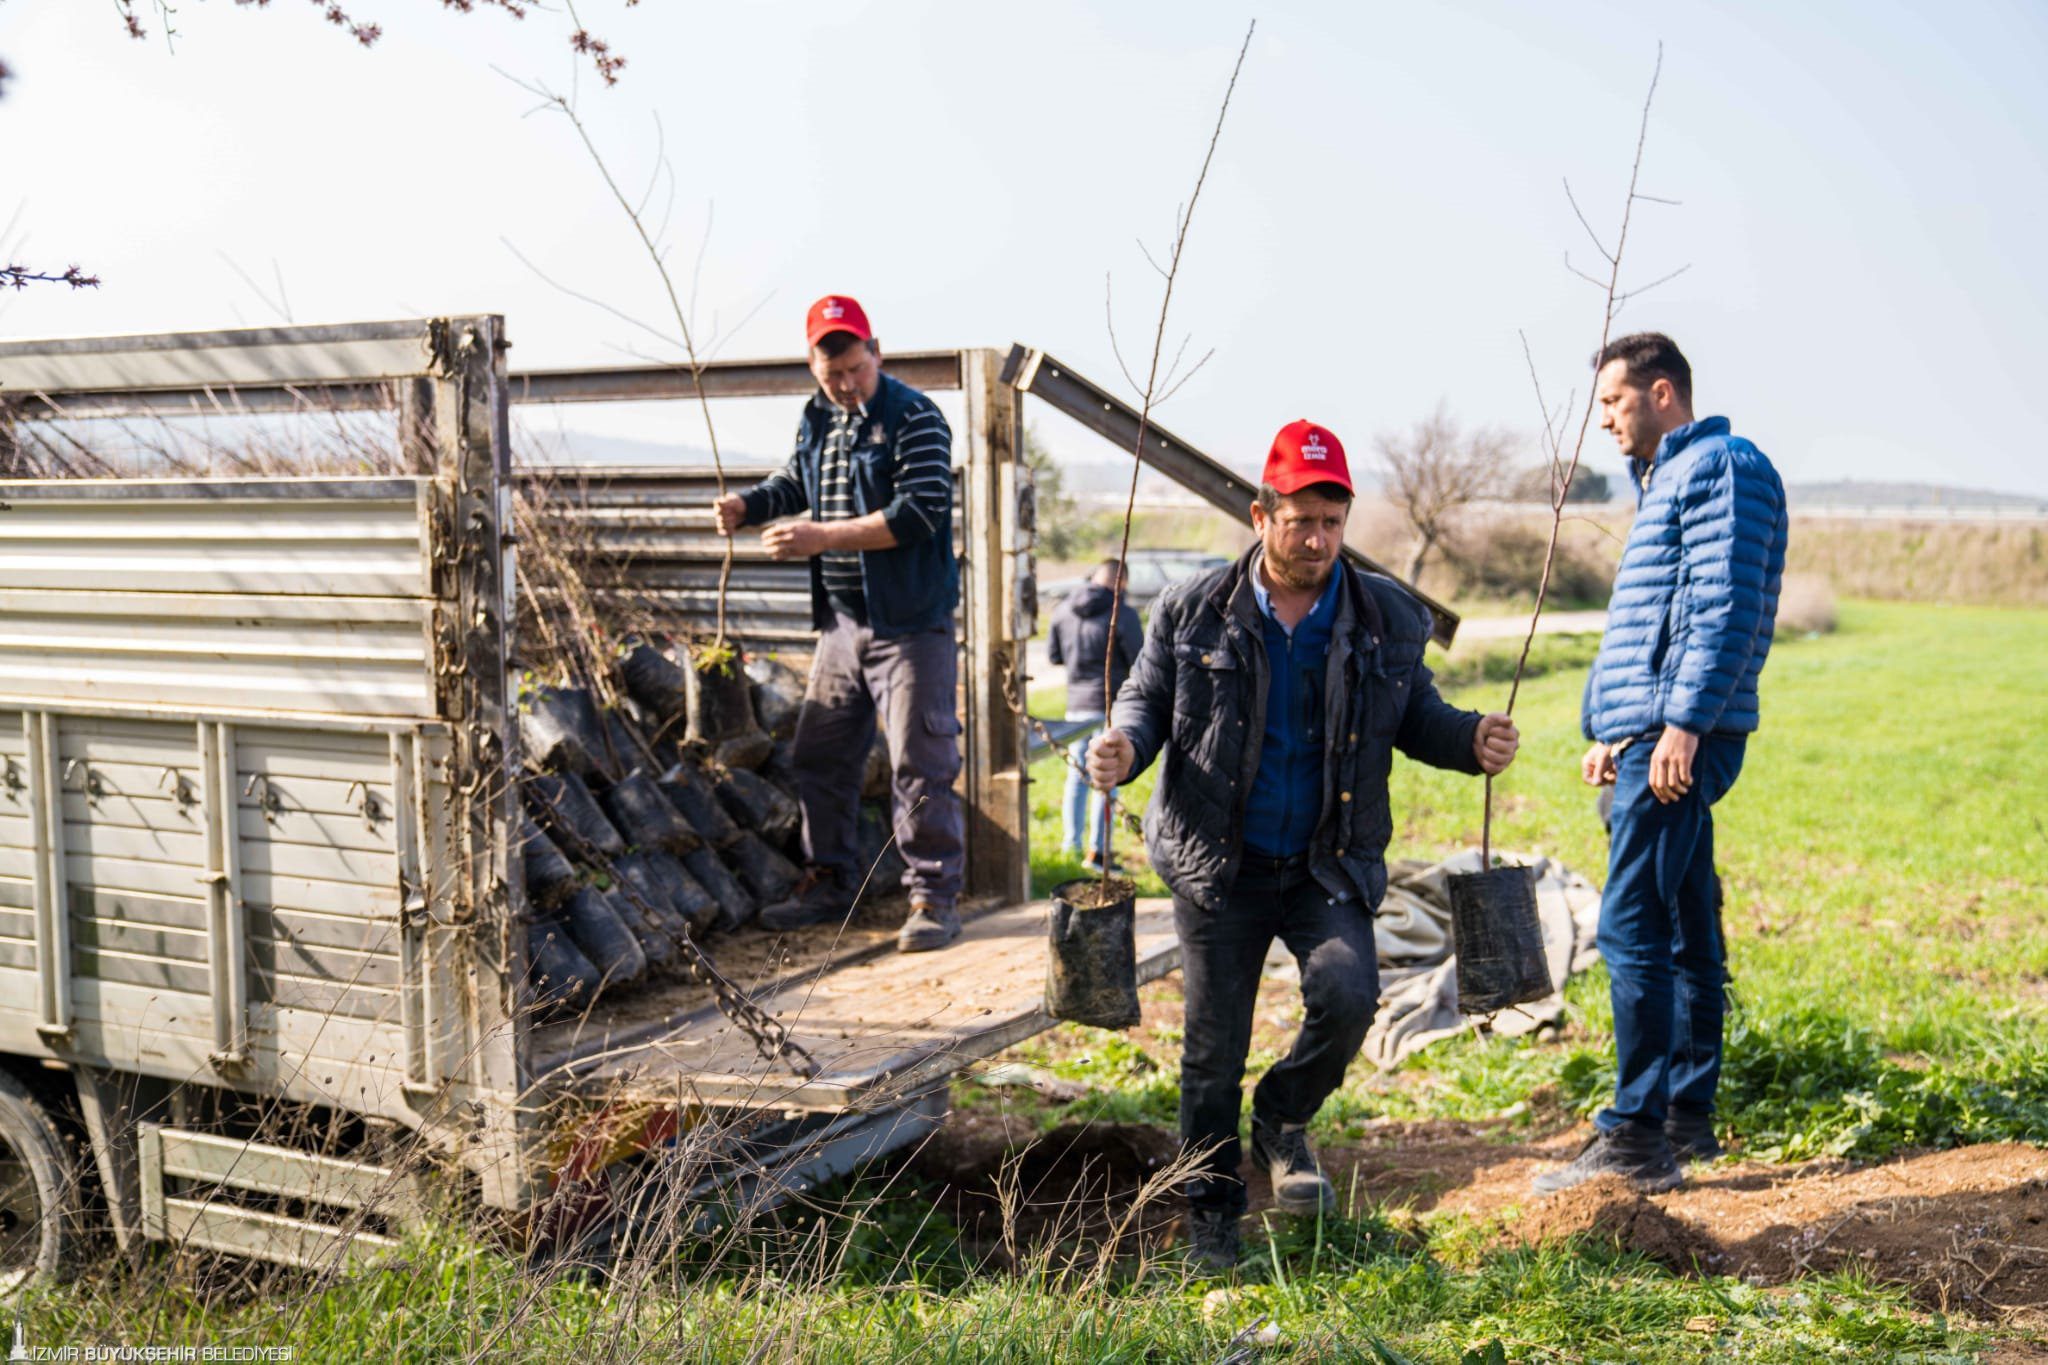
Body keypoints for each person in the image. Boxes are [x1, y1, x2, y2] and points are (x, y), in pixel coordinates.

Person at [1086, 420, 1520, 1270]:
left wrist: (1471, 739)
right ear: (1260, 514)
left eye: (1331, 520)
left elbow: (1418, 715)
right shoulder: (1193, 608)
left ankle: (1282, 1117)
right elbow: (1144, 700)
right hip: (1221, 863)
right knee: (1212, 1049)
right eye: (1299, 520)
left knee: (1349, 996)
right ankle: (1212, 1207)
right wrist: (1123, 748)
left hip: (1327, 860)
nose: (1317, 538)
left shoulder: (1387, 614)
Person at [1533, 332, 1787, 1195]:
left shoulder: (1723, 467)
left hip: (1681, 740)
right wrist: (1614, 724)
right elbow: (1655, 623)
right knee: (1682, 919)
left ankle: (1636, 1137)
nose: (1603, 420)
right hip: (1653, 736)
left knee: (1631, 920)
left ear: (1663, 391)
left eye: (1613, 401)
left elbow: (1723, 606)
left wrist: (1679, 724)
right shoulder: (1672, 478)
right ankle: (1684, 1116)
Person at [712, 295, 966, 953]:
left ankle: (933, 898)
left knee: (920, 759)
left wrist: (822, 537)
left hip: (912, 625)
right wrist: (747, 504)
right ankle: (829, 880)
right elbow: (798, 482)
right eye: (834, 376)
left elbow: (921, 512)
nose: (848, 384)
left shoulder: (915, 417)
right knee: (820, 754)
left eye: (856, 368)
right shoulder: (817, 418)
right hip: (844, 625)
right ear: (812, 368)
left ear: (875, 351)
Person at [1046, 558, 1144, 871]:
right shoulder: (1122, 614)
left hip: (1075, 703)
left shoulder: (1062, 610)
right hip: (1110, 704)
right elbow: (1140, 661)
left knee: (1077, 774)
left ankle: (1070, 844)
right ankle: (1099, 852)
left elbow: (1053, 655)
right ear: (1122, 583)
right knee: (1106, 777)